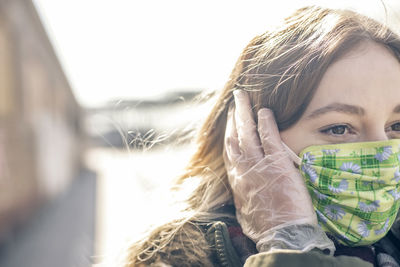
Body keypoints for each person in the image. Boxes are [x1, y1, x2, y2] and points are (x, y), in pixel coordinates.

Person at [123, 5, 400, 267]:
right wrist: (291, 246)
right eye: (338, 128)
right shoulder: (177, 259)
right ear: (248, 137)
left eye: (397, 127)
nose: (385, 153)